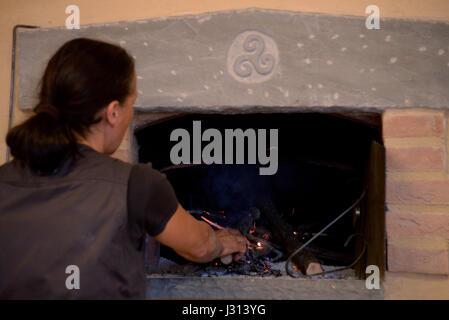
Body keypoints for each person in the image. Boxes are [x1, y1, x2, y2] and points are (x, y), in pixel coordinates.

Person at [0, 38, 247, 299]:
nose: (132, 112)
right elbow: (199, 246)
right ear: (113, 112)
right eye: (132, 103)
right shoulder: (136, 184)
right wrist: (220, 244)